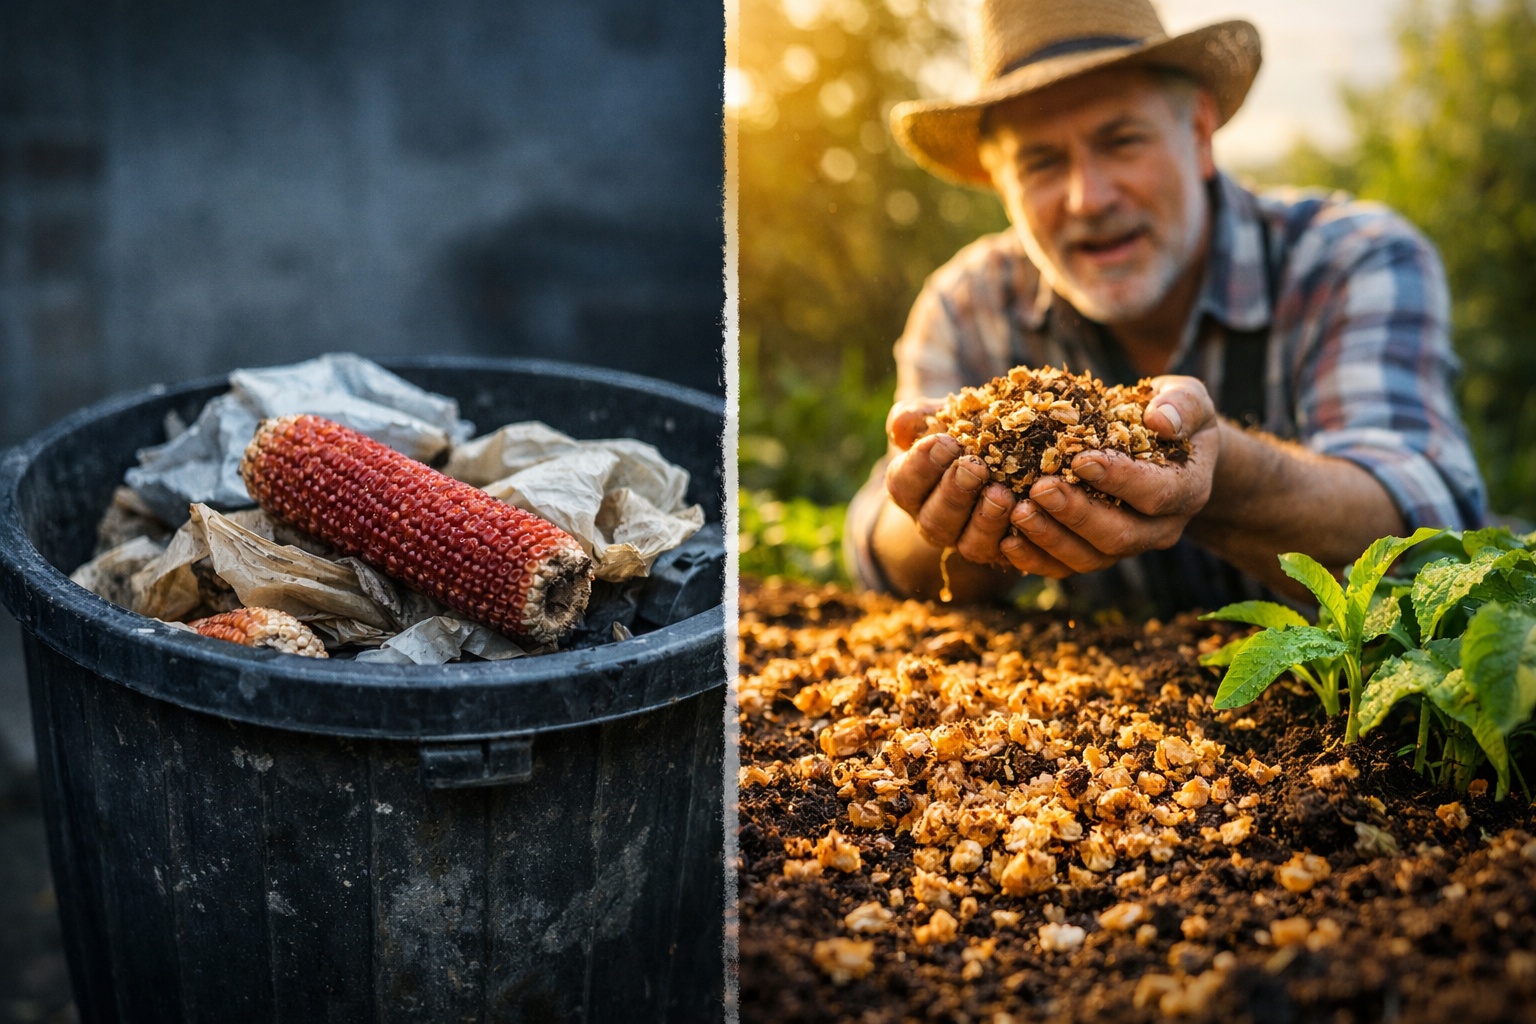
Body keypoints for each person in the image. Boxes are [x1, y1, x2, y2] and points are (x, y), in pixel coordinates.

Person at [844, 0, 1486, 615]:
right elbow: (880, 547)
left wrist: (1222, 473)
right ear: (999, 184)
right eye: (1041, 163)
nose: (1087, 198)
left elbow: (1429, 525)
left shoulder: (1349, 260)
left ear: (1200, 133)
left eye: (1122, 140)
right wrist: (939, 508)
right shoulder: (967, 304)